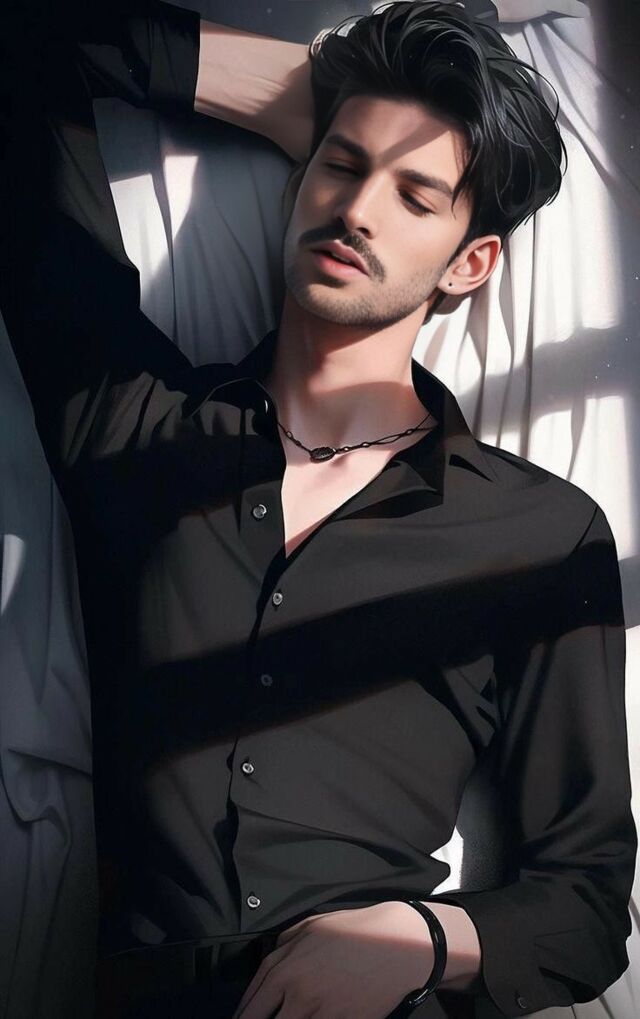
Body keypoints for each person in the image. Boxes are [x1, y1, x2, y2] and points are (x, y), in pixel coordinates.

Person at [0, 1, 635, 1017]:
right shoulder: (131, 425)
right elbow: (27, 43)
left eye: (415, 196)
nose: (358, 210)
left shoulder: (540, 534)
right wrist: (295, 88)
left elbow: (589, 899)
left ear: (470, 263)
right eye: (341, 166)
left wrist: (421, 938)